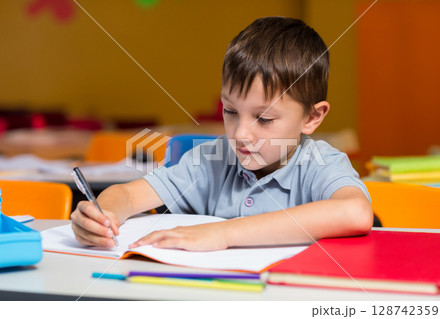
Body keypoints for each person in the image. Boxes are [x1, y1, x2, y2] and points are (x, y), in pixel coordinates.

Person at [71, 17, 373, 251]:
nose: (241, 134)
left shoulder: (319, 163)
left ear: (312, 117)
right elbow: (126, 194)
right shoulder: (209, 162)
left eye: (264, 118)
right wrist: (101, 215)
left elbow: (355, 212)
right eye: (230, 112)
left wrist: (224, 233)